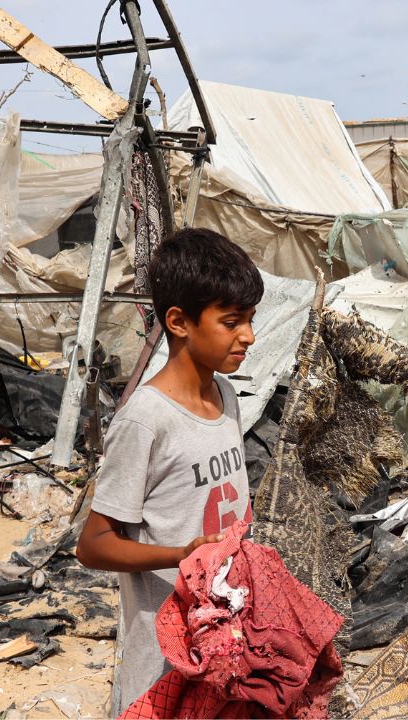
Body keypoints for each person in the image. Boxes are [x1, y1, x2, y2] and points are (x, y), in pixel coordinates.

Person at [76, 228, 264, 716]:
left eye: (250, 319)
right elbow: (93, 545)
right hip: (165, 649)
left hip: (222, 634)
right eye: (232, 321)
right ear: (179, 322)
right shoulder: (146, 420)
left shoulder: (225, 397)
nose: (248, 335)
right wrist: (183, 555)